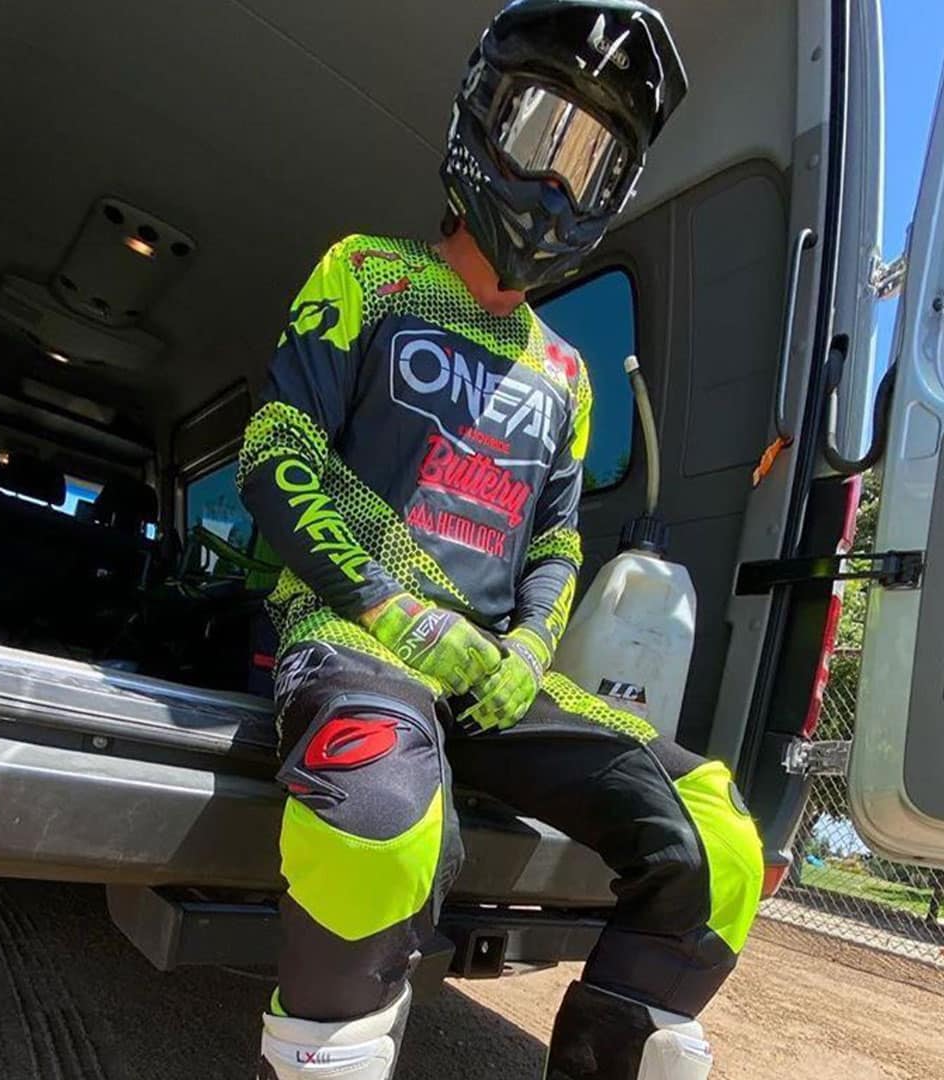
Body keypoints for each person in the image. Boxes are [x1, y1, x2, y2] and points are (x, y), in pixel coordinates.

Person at [238, 3, 763, 1077]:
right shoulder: (367, 272)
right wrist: (393, 610)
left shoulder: (567, 373)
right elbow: (276, 450)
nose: (561, 182)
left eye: (595, 160)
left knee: (719, 838)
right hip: (354, 640)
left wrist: (527, 649)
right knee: (377, 820)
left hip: (493, 676)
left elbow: (558, 544)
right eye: (542, 132)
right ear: (481, 117)